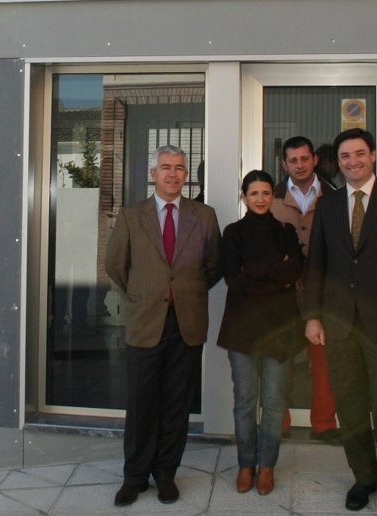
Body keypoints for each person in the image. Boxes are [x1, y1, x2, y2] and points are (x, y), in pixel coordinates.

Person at [302, 128, 377, 516]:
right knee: (351, 406)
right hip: (339, 324)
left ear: (372, 156)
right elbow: (316, 264)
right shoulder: (328, 204)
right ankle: (364, 477)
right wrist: (312, 316)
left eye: (359, 154)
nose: (352, 161)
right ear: (337, 163)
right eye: (345, 156)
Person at [104, 145, 222, 507]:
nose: (173, 174)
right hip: (145, 322)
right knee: (141, 402)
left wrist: (184, 293)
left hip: (186, 323)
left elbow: (214, 266)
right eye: (166, 167)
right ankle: (135, 476)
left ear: (186, 175)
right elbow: (116, 265)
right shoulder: (131, 216)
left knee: (176, 403)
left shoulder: (204, 216)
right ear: (153, 173)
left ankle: (166, 473)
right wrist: (145, 293)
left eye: (180, 168)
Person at [217, 169, 305, 496]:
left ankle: (267, 465)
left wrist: (254, 270)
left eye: (266, 193)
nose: (260, 199)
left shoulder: (285, 231)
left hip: (279, 329)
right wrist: (276, 278)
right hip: (242, 330)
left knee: (274, 402)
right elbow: (233, 279)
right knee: (244, 401)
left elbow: (295, 269)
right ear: (244, 197)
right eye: (253, 193)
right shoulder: (233, 233)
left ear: (273, 196)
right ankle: (246, 464)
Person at [269, 137, 340, 444]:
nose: (299, 165)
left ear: (315, 160)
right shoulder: (271, 198)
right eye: (293, 160)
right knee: (281, 360)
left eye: (304, 159)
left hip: (323, 291)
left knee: (323, 361)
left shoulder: (334, 197)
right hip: (283, 292)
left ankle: (324, 424)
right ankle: (279, 422)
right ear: (284, 164)